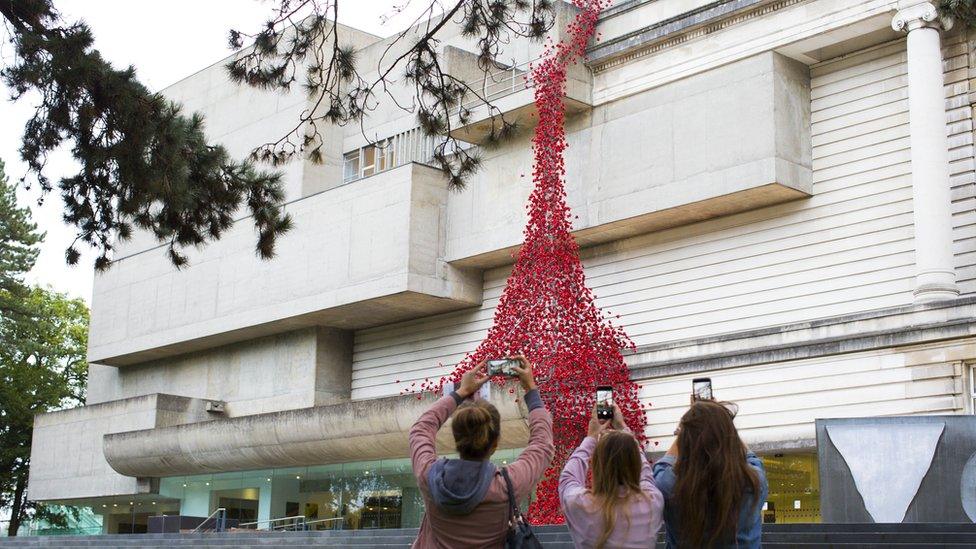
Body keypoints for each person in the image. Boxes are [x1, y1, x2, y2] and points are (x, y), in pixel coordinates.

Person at [409, 356, 554, 548]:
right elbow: (542, 445)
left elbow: (421, 429)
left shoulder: (429, 475)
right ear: (494, 444)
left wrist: (461, 392)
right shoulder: (505, 485)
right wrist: (531, 389)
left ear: (457, 438)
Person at [652, 399, 768, 548]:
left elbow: (663, 464)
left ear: (684, 440)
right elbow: (750, 457)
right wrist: (722, 424)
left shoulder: (670, 485)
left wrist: (687, 427)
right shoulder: (753, 481)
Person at [559, 402, 664, 548]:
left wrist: (591, 437)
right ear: (634, 464)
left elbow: (568, 478)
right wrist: (622, 427)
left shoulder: (579, 504)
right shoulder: (652, 502)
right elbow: (645, 473)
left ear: (597, 465)